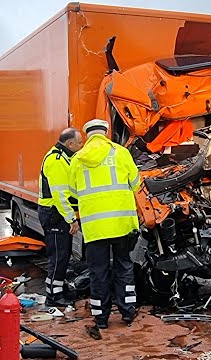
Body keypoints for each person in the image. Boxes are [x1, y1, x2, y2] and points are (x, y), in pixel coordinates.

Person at [69, 119, 141, 329]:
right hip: (121, 224)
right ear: (106, 133)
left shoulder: (78, 158)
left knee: (98, 272)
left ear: (89, 136)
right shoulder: (121, 153)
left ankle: (101, 318)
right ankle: (128, 313)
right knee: (124, 266)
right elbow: (135, 184)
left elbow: (73, 191)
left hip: (94, 228)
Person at [38, 127, 82, 306]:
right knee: (59, 255)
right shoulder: (56, 160)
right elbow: (60, 195)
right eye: (79, 142)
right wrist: (71, 219)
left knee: (63, 254)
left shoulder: (63, 157)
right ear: (70, 144)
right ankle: (54, 297)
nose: (82, 145)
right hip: (54, 214)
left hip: (56, 214)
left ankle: (58, 290)